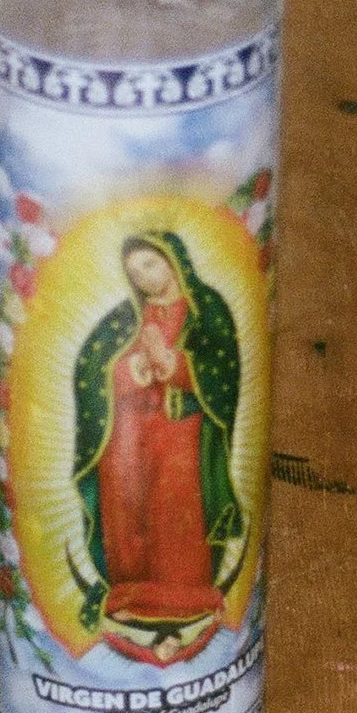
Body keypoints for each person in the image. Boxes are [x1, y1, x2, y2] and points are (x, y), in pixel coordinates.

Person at [70, 231, 244, 663]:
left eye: (150, 264)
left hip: (181, 432)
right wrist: (131, 371)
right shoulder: (124, 319)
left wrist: (179, 366)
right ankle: (131, 593)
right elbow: (90, 371)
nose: (143, 278)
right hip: (127, 435)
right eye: (134, 273)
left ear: (174, 260)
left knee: (175, 514)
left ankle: (184, 598)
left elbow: (224, 373)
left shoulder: (208, 311)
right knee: (129, 517)